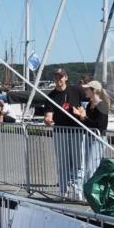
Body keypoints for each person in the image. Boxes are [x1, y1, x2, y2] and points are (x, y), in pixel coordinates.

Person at [43, 68, 85, 199]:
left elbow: (88, 102)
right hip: (60, 132)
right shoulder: (51, 96)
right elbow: (48, 115)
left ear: (66, 77)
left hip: (76, 131)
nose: (58, 79)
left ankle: (78, 192)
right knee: (63, 163)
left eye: (60, 77)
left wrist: (84, 114)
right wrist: (48, 121)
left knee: (78, 163)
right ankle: (63, 192)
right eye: (56, 77)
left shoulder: (76, 90)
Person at [77, 80, 111, 184]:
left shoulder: (102, 105)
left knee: (91, 167)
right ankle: (89, 191)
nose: (85, 91)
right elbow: (87, 122)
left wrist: (84, 117)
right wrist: (81, 117)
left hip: (98, 139)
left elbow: (100, 125)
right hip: (89, 137)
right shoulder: (89, 105)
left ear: (94, 90)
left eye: (87, 89)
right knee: (88, 166)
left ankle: (90, 192)